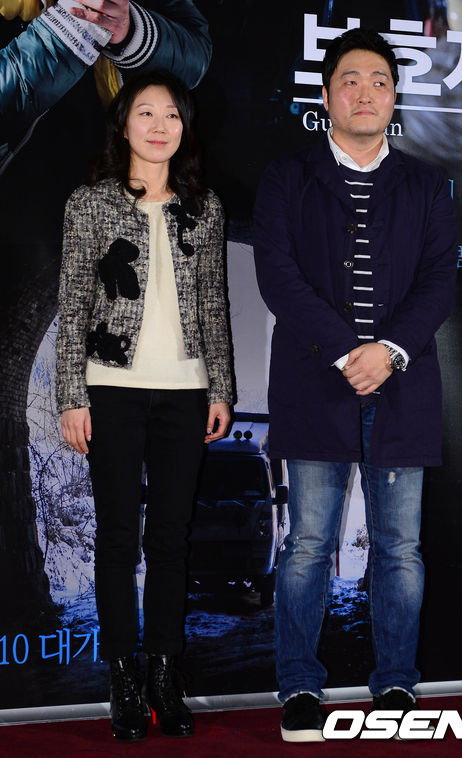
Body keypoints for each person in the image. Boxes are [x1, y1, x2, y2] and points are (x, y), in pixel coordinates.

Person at [253, 27, 457, 743]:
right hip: (317, 384)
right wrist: (347, 352)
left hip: (404, 389)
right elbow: (279, 277)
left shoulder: (427, 184)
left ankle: (396, 680)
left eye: (378, 81)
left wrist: (390, 352)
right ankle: (298, 686)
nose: (364, 92)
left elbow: (438, 283)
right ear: (326, 95)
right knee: (308, 543)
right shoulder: (288, 178)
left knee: (400, 548)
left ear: (394, 97)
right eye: (350, 80)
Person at [56, 68, 233, 742]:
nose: (160, 126)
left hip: (186, 392)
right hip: (111, 389)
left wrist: (221, 388)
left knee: (170, 539)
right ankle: (123, 677)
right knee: (117, 538)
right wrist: (71, 396)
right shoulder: (89, 203)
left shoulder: (204, 207)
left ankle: (164, 672)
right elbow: (73, 303)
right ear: (124, 123)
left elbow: (213, 302)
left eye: (172, 115)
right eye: (146, 113)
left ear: (184, 128)